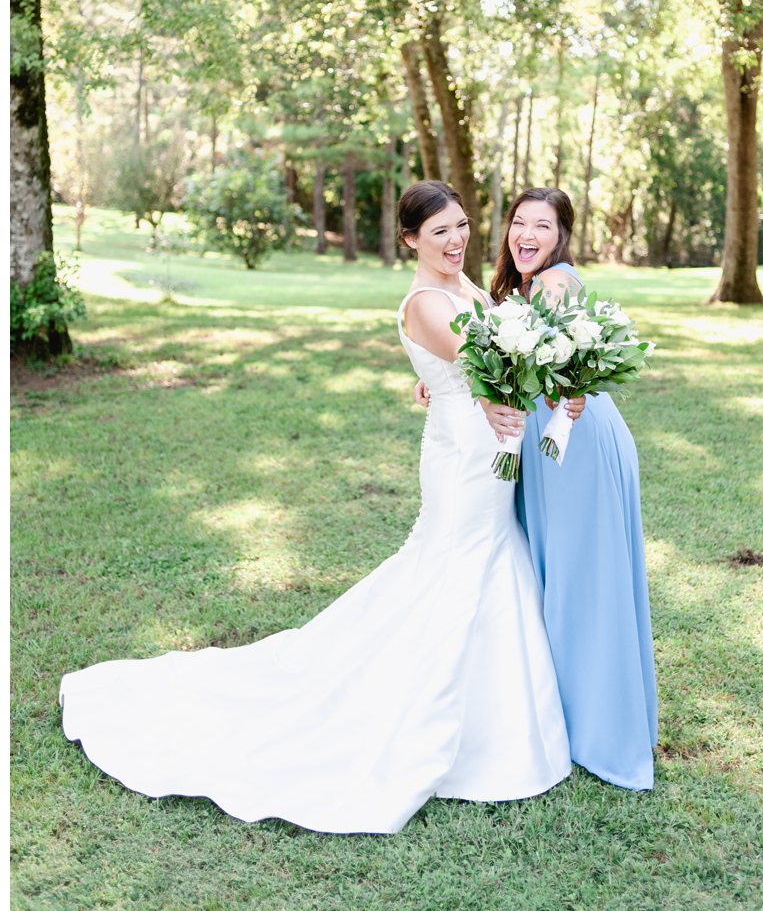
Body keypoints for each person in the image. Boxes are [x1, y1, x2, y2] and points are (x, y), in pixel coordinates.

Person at [60, 180, 572, 833]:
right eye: (439, 230)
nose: (456, 239)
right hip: (465, 459)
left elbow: (482, 362)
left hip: (487, 442)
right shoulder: (422, 301)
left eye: (463, 225)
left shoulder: (466, 287)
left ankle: (498, 723)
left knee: (481, 559)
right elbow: (491, 360)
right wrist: (537, 368)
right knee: (451, 563)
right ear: (410, 238)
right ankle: (432, 720)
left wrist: (464, 376)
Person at [481, 186, 657, 790]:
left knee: (585, 583)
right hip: (553, 446)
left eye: (543, 226)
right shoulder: (519, 290)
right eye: (519, 223)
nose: (527, 235)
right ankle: (569, 718)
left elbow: (529, 359)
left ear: (561, 237)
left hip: (574, 446)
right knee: (560, 577)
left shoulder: (554, 283)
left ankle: (601, 733)